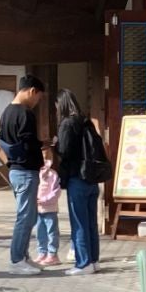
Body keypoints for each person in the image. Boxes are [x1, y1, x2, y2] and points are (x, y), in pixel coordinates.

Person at [0, 74, 47, 274]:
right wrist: (41, 145)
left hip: (15, 170)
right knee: (25, 217)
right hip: (25, 170)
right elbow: (27, 144)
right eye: (38, 97)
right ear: (32, 91)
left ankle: (23, 256)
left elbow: (2, 140)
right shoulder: (25, 114)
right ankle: (17, 260)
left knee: (29, 215)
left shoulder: (6, 112)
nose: (37, 102)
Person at [52, 87, 101, 275]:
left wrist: (56, 143)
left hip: (76, 178)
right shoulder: (87, 121)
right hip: (92, 178)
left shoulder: (67, 123)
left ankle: (83, 263)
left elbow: (64, 151)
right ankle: (94, 260)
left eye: (57, 105)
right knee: (91, 222)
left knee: (79, 222)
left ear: (61, 104)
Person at [35, 147, 62, 267]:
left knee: (52, 232)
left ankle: (53, 254)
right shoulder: (36, 173)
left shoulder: (53, 174)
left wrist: (45, 200)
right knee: (40, 232)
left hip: (50, 208)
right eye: (42, 158)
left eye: (47, 158)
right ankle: (42, 252)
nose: (45, 161)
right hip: (38, 209)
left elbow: (56, 191)